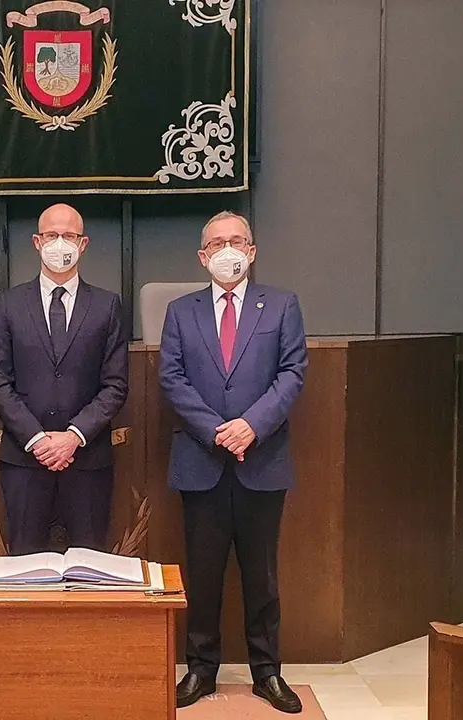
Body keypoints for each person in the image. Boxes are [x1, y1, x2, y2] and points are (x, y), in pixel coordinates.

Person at [159, 211, 308, 713]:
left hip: (261, 461)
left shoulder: (282, 305)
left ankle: (267, 672)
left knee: (261, 575)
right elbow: (172, 378)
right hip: (201, 460)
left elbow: (292, 373)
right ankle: (200, 669)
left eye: (237, 241)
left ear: (252, 250)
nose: (228, 250)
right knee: (202, 574)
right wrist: (217, 430)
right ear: (203, 257)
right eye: (217, 243)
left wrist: (251, 426)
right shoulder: (181, 311)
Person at [0, 203, 128, 555]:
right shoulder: (9, 304)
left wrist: (73, 437)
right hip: (24, 460)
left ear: (83, 244)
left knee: (89, 566)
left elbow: (115, 385)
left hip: (87, 460)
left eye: (69, 235)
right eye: (51, 235)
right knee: (25, 567)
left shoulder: (107, 305)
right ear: (37, 242)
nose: (60, 243)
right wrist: (37, 440)